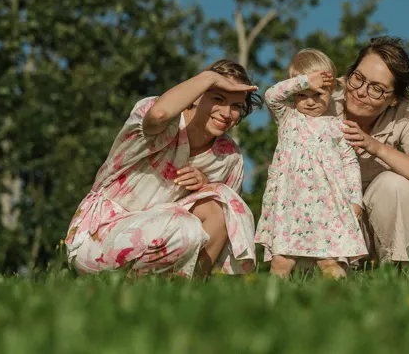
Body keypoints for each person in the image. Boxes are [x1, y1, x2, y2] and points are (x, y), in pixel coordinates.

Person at [64, 60, 261, 278]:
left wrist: (207, 185)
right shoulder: (165, 120)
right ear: (195, 96)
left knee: (223, 204)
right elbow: (159, 114)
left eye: (236, 106)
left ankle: (187, 293)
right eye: (217, 98)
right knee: (186, 229)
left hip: (165, 237)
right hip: (98, 236)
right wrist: (210, 78)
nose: (226, 112)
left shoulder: (229, 156)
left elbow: (228, 227)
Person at [338, 36, 409, 266]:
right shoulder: (322, 95)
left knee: (395, 184)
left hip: (372, 231)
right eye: (358, 78)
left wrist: (376, 147)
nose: (361, 91)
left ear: (394, 100)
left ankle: (393, 270)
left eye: (377, 89)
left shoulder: (405, 113)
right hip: (320, 226)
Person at [255, 48, 367, 279]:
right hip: (289, 206)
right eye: (302, 94)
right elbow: (271, 95)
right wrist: (305, 80)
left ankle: (339, 305)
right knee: (281, 263)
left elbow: (350, 163)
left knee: (330, 262)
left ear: (332, 91)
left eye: (318, 94)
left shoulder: (338, 126)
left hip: (328, 206)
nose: (310, 102)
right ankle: (274, 307)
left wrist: (355, 199)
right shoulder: (287, 118)